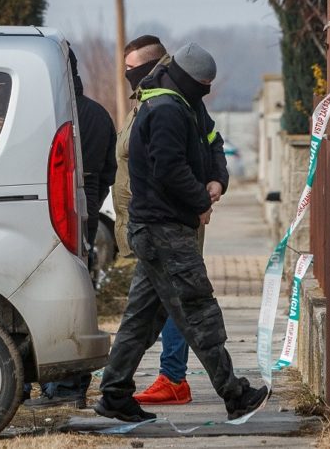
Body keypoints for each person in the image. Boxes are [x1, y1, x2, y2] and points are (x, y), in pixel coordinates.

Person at [94, 43, 267, 422]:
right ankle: (234, 394)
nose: (207, 89)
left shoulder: (184, 104)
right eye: (203, 83)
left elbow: (213, 143)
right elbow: (168, 171)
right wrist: (199, 202)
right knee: (197, 310)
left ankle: (114, 394)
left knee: (142, 319)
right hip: (163, 230)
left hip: (159, 229)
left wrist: (217, 180)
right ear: (189, 80)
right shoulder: (168, 110)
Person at [114, 35, 230, 406]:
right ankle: (118, 391)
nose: (127, 77)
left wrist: (214, 183)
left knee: (188, 309)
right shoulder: (160, 103)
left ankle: (205, 386)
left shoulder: (173, 104)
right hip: (151, 225)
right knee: (152, 313)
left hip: (169, 224)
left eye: (131, 70)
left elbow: (199, 149)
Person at [24, 46, 117, 409]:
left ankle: (43, 385)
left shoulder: (46, 112)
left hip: (47, 209)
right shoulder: (97, 114)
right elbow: (109, 171)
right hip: (87, 210)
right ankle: (70, 385)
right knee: (78, 293)